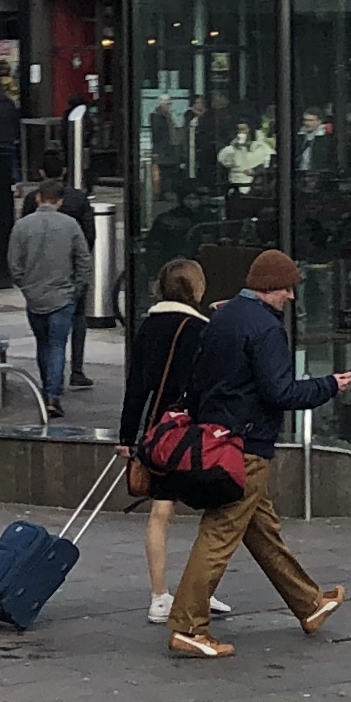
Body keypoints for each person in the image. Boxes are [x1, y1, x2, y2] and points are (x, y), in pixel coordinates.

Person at [165, 249, 351, 660]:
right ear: (271, 288)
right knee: (219, 534)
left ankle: (309, 603)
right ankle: (188, 625)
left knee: (261, 529)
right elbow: (280, 392)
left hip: (217, 439)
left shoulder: (224, 316)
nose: (291, 298)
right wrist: (329, 386)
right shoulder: (265, 329)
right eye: (287, 289)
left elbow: (198, 381)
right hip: (245, 447)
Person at [121, 259, 230, 627]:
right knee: (215, 513)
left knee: (160, 513)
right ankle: (201, 590)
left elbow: (136, 387)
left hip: (159, 433)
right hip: (194, 432)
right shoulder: (201, 329)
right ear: (195, 288)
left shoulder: (148, 327)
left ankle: (159, 597)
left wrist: (127, 437)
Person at [7, 180, 92, 418]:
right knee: (57, 345)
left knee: (43, 344)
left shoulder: (22, 226)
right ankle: (52, 394)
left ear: (37, 198)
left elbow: (14, 264)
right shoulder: (71, 225)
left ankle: (47, 388)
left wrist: (26, 286)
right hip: (63, 295)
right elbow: (84, 260)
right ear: (60, 201)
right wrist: (76, 289)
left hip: (35, 296)